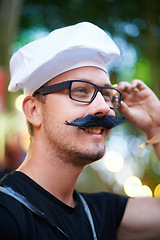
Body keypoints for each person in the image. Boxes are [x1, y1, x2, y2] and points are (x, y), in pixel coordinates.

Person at [0, 22, 160, 240]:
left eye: (105, 93)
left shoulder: (100, 215)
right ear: (34, 110)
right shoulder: (7, 214)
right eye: (81, 91)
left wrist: (156, 126)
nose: (104, 107)